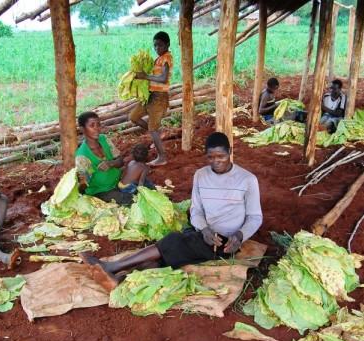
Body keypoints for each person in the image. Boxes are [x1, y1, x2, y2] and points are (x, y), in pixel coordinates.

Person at [81, 132, 263, 292]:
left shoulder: (247, 180)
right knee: (165, 259)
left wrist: (239, 235)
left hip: (225, 242)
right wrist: (204, 229)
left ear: (230, 152)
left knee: (173, 241)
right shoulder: (201, 175)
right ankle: (119, 279)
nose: (216, 162)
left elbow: (255, 217)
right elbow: (197, 209)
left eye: (221, 157)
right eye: (210, 157)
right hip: (202, 233)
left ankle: (113, 266)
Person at [128, 31, 173, 166]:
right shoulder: (158, 59)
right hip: (150, 97)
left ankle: (161, 158)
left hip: (159, 98)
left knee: (153, 129)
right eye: (155, 46)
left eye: (159, 45)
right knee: (133, 116)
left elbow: (163, 78)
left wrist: (145, 76)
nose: (157, 48)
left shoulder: (167, 58)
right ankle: (157, 134)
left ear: (167, 44)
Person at [75, 111, 133, 206]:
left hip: (118, 181)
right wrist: (83, 182)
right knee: (131, 201)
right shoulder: (82, 156)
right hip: (101, 192)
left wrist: (111, 163)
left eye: (98, 124)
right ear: (82, 129)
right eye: (92, 125)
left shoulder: (104, 139)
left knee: (139, 178)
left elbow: (121, 161)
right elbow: (82, 188)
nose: (97, 128)